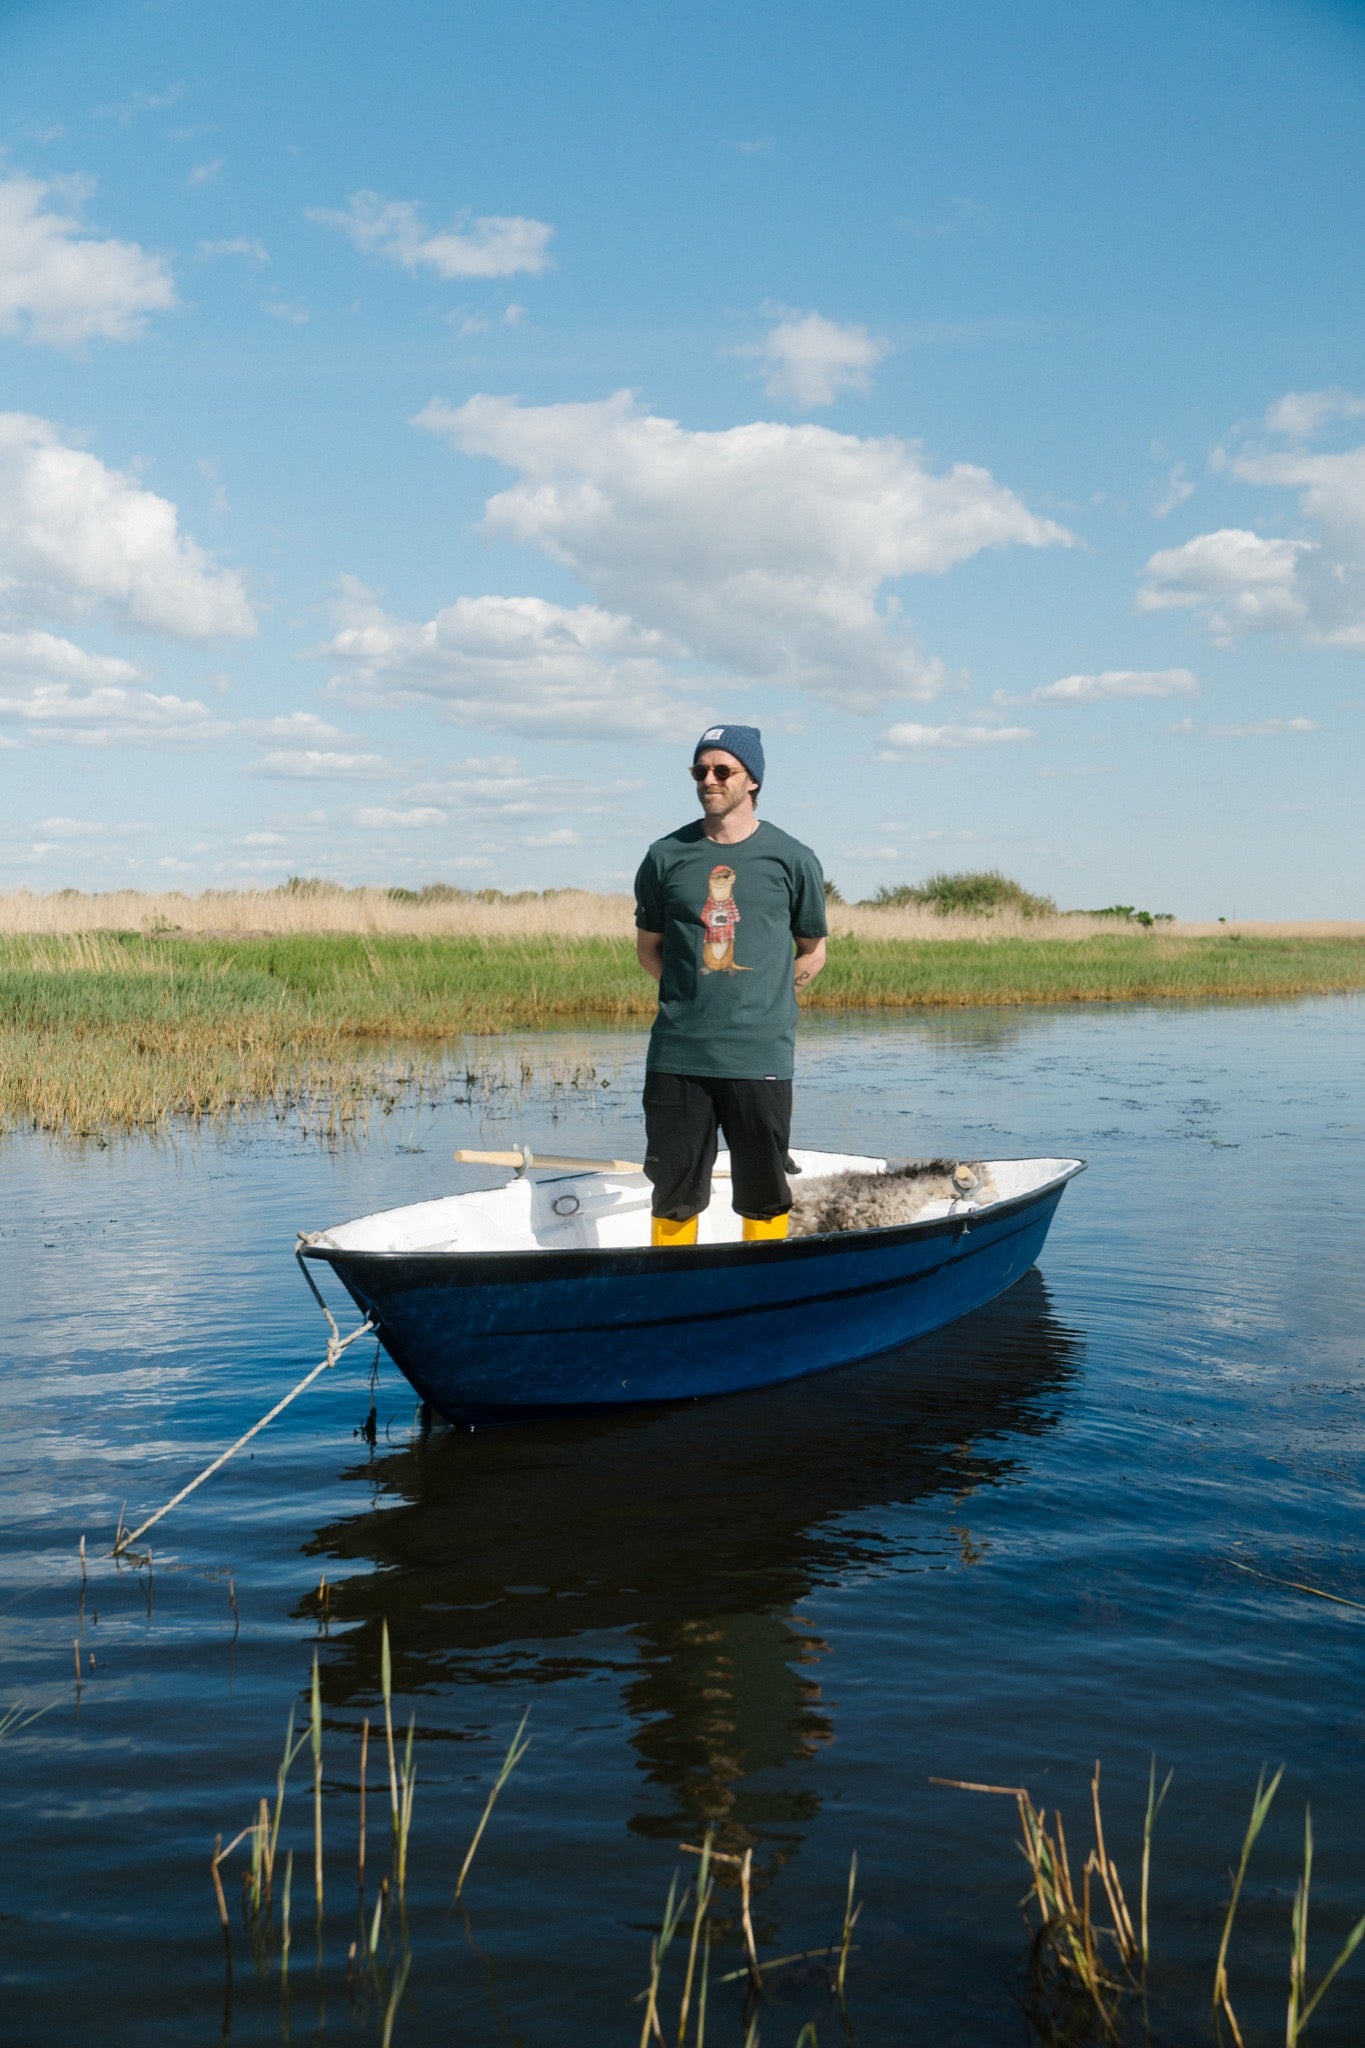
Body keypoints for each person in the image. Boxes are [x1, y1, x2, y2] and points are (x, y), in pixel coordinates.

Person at [633, 723, 828, 1247]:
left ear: (753, 780)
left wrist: (770, 1000)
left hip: (757, 1055)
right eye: (700, 770)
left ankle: (764, 1290)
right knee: (673, 1193)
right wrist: (690, 996)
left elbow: (812, 949)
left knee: (764, 1191)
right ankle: (672, 1296)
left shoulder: (792, 858)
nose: (709, 780)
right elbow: (649, 948)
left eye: (723, 770)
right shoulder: (664, 856)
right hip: (678, 1054)